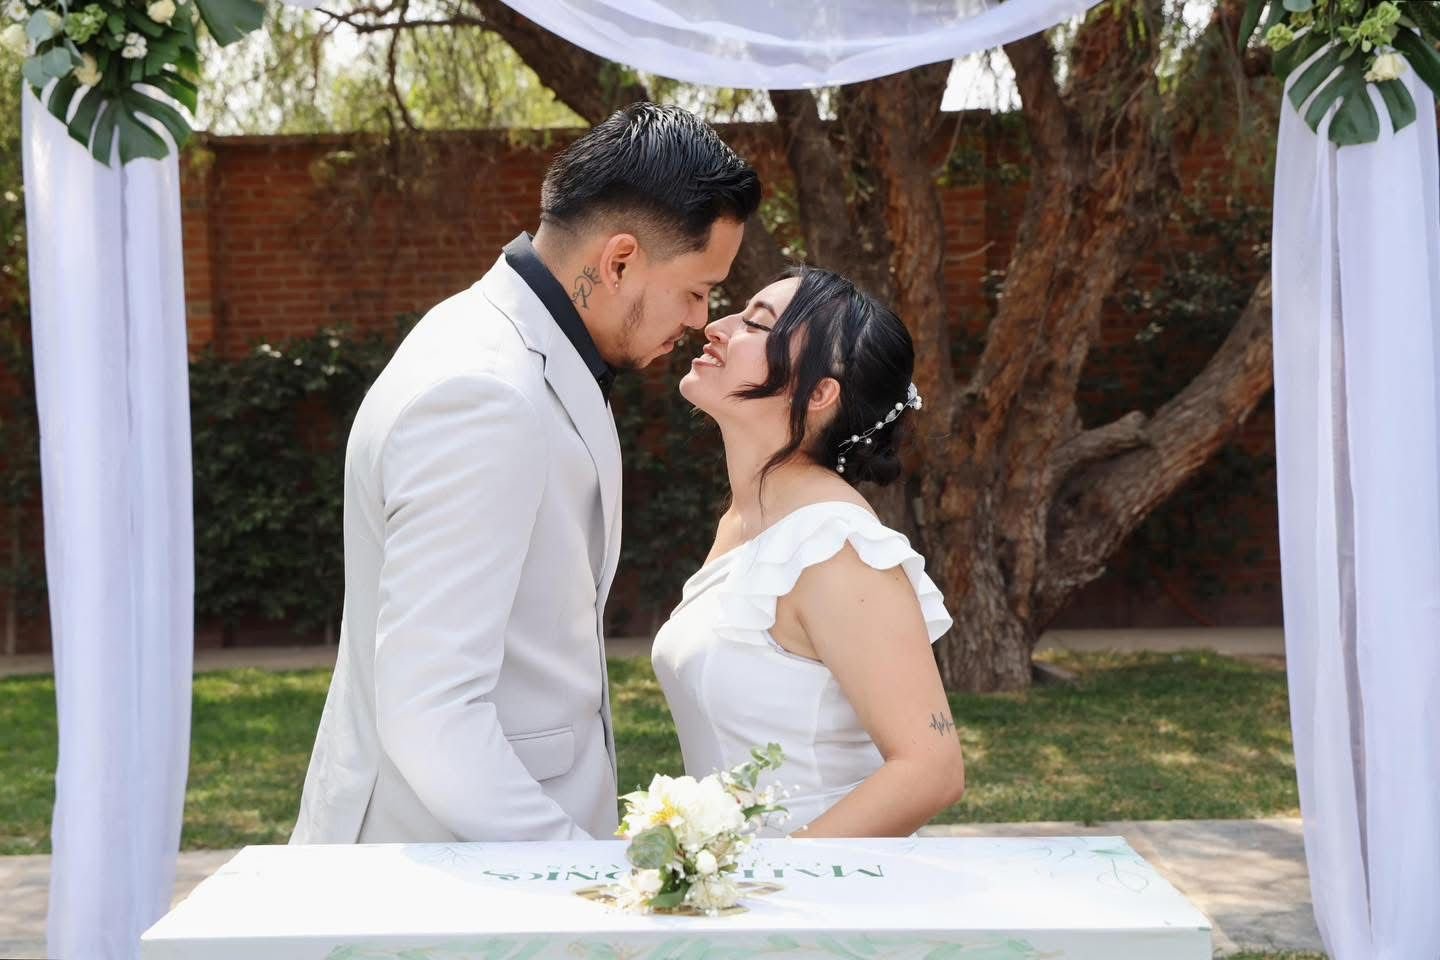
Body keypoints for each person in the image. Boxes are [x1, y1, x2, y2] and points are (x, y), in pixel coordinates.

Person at [292, 103, 761, 844]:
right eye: (697, 290)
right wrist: (579, 873)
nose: (702, 319)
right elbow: (431, 711)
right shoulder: (484, 393)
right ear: (619, 262)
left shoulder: (493, 341)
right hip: (449, 866)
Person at [653, 266, 966, 837]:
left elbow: (931, 770)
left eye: (755, 325)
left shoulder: (836, 548)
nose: (716, 327)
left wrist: (776, 874)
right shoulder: (744, 523)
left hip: (818, 882)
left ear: (819, 393)